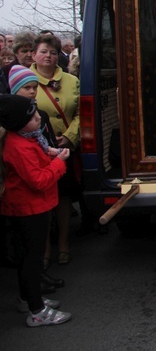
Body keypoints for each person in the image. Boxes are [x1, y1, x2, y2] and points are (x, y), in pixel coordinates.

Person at [0, 94, 72, 326]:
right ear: (19, 122)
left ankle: (28, 298)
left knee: (26, 257)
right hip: (29, 208)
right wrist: (59, 162)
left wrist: (51, 154)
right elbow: (39, 180)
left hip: (30, 206)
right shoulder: (19, 146)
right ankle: (37, 311)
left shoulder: (26, 138)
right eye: (32, 116)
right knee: (31, 260)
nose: (38, 117)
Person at [31, 35, 81, 267]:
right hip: (36, 150)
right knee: (41, 201)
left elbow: (81, 112)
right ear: (34, 55)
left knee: (63, 198)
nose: (48, 56)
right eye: (43, 51)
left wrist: (70, 137)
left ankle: (63, 244)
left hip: (65, 149)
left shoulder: (71, 80)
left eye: (52, 52)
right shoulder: (25, 80)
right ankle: (44, 249)